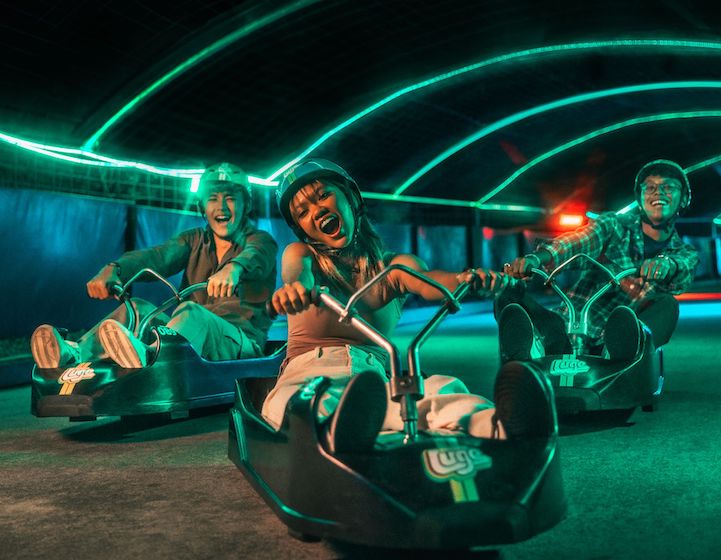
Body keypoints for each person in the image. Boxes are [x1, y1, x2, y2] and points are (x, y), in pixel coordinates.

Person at [261, 158, 554, 452]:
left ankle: (500, 423)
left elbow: (430, 282)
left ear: (350, 198)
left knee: (438, 389)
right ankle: (343, 432)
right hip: (312, 368)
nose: (317, 210)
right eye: (303, 211)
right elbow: (295, 272)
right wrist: (295, 289)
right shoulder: (301, 254)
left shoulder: (393, 269)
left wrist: (468, 279)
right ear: (302, 228)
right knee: (291, 401)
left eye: (323, 195)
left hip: (375, 377)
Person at [31, 162, 278, 369]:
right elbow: (158, 257)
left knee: (190, 311)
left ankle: (150, 356)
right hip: (189, 338)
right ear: (202, 207)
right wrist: (115, 269)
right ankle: (74, 355)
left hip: (240, 343)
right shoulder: (193, 240)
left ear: (246, 205)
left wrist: (233, 269)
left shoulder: (260, 240)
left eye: (231, 198)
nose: (222, 207)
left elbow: (256, 256)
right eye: (213, 199)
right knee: (137, 308)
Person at [497, 159, 699, 362]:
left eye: (668, 187)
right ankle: (531, 351)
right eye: (650, 187)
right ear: (640, 197)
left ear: (683, 199)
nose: (658, 193)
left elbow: (682, 270)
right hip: (565, 329)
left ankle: (622, 352)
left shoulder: (684, 253)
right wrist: (537, 258)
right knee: (509, 295)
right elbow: (578, 241)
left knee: (668, 304)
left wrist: (665, 264)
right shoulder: (613, 226)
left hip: (617, 339)